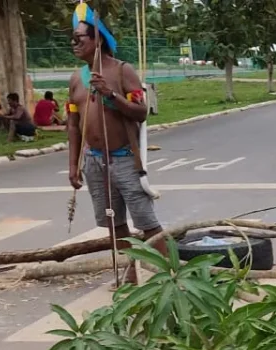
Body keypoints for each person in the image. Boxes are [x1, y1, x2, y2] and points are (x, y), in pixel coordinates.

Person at [68, 4, 169, 287]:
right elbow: (73, 125)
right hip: (94, 161)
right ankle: (130, 275)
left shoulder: (122, 71)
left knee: (147, 222)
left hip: (124, 158)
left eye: (80, 38)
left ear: (97, 40)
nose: (74, 44)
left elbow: (141, 112)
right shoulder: (76, 78)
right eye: (72, 39)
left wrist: (110, 95)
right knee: (114, 223)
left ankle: (170, 277)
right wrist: (73, 165)